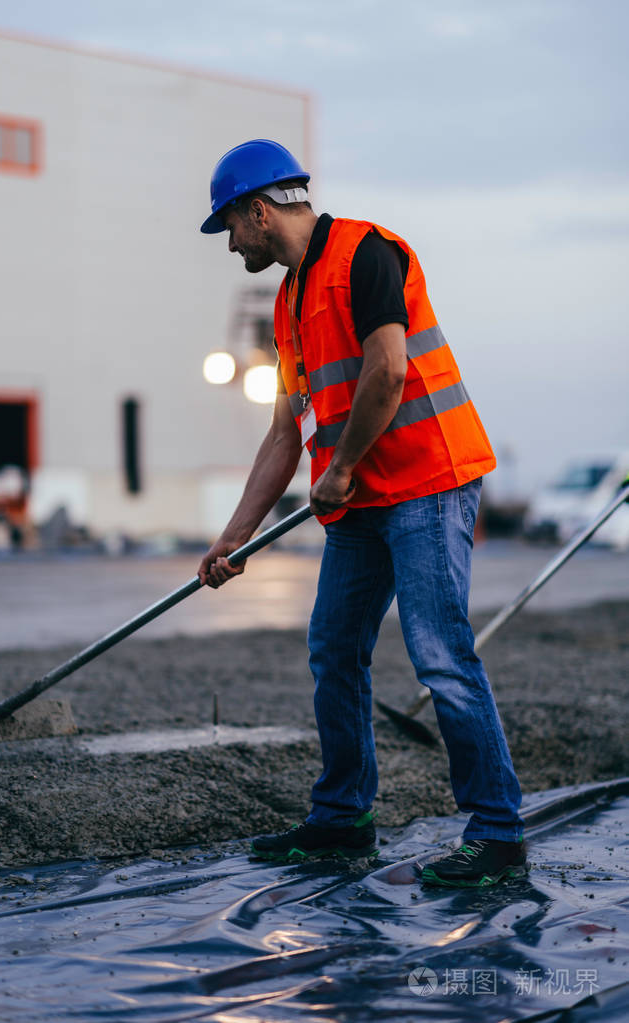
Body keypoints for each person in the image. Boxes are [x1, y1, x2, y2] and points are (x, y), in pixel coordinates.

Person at [198, 139, 527, 887]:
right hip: (362, 500)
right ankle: (343, 820)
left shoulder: (367, 254)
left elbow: (388, 368)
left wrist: (341, 468)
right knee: (333, 651)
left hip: (426, 482)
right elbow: (285, 431)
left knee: (439, 653)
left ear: (258, 210)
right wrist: (234, 537)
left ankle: (498, 833)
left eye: (230, 227)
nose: (231, 243)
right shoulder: (286, 301)